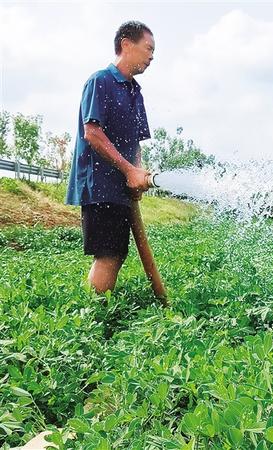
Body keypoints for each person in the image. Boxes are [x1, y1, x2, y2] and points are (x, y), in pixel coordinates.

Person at [66, 21, 155, 294]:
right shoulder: (100, 81)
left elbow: (135, 142)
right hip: (100, 186)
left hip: (120, 189)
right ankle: (95, 313)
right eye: (148, 48)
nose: (152, 56)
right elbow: (92, 133)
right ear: (126, 44)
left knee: (117, 252)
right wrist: (129, 171)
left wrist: (137, 172)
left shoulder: (135, 92)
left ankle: (100, 307)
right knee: (109, 254)